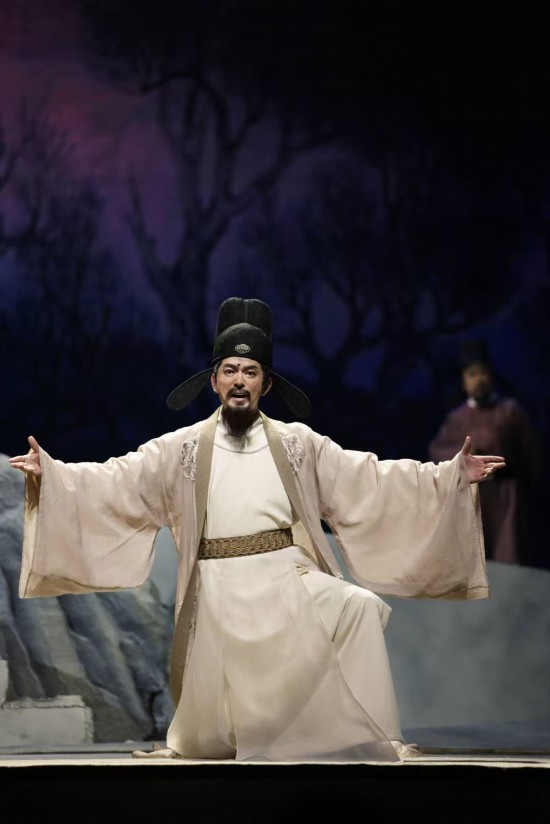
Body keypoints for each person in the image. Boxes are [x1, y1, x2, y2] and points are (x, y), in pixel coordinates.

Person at [9, 298, 505, 763]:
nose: (240, 381)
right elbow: (117, 479)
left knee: (357, 606)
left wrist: (448, 476)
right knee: (222, 714)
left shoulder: (297, 444)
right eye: (230, 371)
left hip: (287, 576)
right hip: (218, 584)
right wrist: (52, 475)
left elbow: (370, 478)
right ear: (214, 382)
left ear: (266, 385)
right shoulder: (182, 448)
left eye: (250, 372)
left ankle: (372, 735)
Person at [428, 339, 541, 565]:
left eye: (483, 373)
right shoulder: (457, 418)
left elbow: (532, 455)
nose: (479, 379)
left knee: (507, 557)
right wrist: (464, 456)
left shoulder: (510, 412)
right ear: (464, 382)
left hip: (507, 499)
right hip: (471, 499)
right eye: (472, 374)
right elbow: (437, 450)